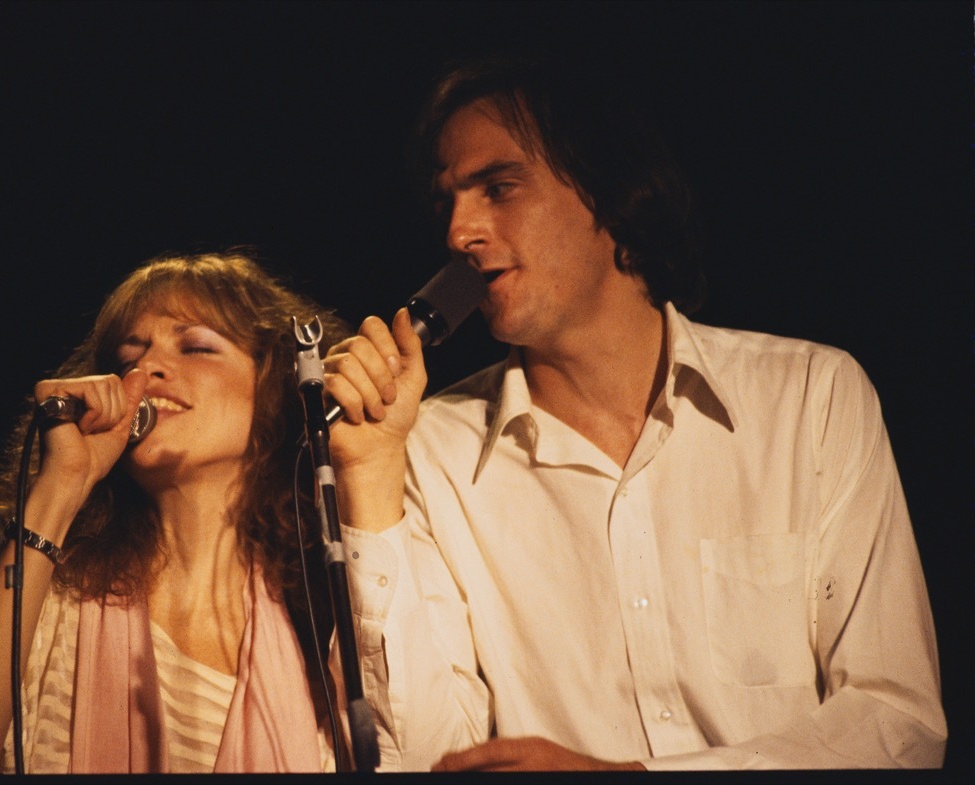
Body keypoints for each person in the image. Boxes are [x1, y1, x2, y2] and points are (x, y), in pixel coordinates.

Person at [323, 55, 947, 770]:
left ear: (611, 192)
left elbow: (896, 723)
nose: (459, 231)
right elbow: (423, 754)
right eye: (447, 203)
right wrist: (370, 473)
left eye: (498, 188)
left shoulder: (809, 396)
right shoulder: (430, 449)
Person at [0, 252, 351, 773]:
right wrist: (61, 487)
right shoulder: (33, 555)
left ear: (274, 388)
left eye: (196, 346)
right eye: (128, 357)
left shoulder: (317, 615)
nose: (147, 369)